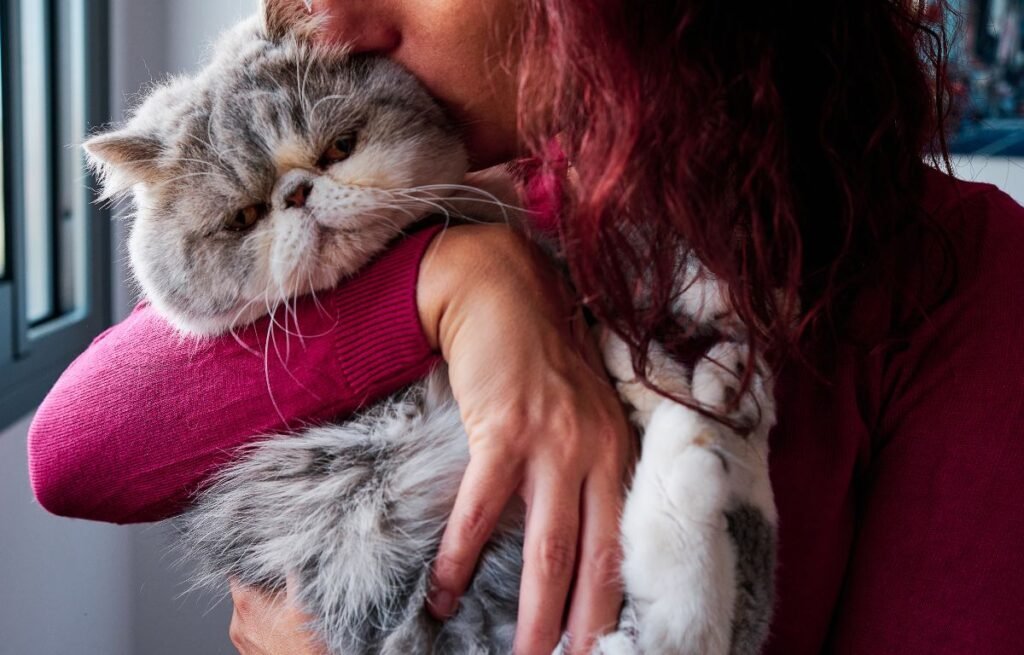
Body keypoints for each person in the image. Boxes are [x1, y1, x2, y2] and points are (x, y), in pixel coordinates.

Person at [27, 0, 1024, 653]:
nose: (334, 22)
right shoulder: (441, 205)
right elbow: (82, 447)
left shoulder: (959, 273)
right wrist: (461, 276)